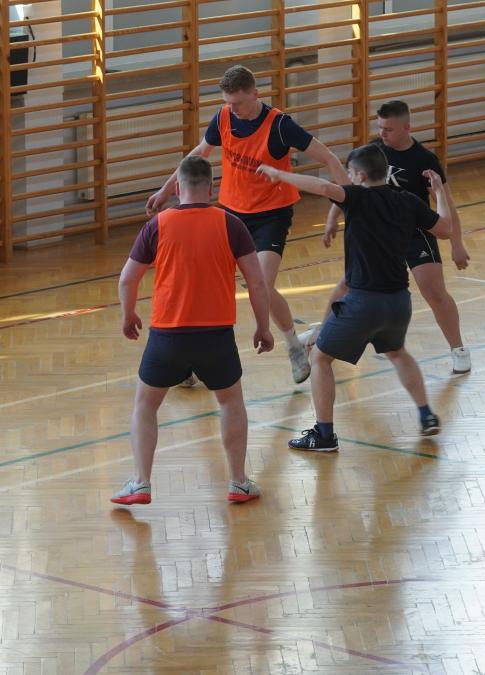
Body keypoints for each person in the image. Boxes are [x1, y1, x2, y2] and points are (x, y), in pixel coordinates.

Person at [146, 65, 348, 385]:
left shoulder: (280, 126)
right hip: (231, 214)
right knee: (206, 283)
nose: (232, 109)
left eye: (237, 103)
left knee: (262, 284)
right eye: (228, 102)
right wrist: (165, 189)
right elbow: (198, 154)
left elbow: (329, 158)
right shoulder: (224, 117)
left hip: (271, 215)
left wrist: (352, 201)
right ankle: (192, 361)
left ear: (255, 93)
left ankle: (293, 345)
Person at [256, 145, 452, 451]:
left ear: (359, 176)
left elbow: (323, 187)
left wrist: (279, 174)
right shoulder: (408, 201)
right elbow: (446, 229)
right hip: (398, 302)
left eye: (349, 174)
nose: (347, 178)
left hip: (363, 303)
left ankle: (324, 435)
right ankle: (426, 414)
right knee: (398, 353)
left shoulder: (358, 198)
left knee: (320, 358)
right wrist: (438, 192)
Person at [113, 156, 274, 505]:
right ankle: (239, 482)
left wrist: (128, 314)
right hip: (216, 336)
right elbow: (258, 283)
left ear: (177, 188)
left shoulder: (157, 224)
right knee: (230, 402)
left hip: (167, 335)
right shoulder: (231, 224)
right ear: (211, 187)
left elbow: (127, 279)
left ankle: (140, 483)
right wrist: (263, 327)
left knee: (145, 405)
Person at [309, 100, 472, 374]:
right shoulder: (374, 151)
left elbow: (446, 203)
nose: (382, 134)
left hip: (415, 233)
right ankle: (321, 336)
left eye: (389, 129)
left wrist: (457, 243)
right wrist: (331, 218)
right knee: (348, 284)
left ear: (407, 127)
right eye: (380, 127)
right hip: (379, 234)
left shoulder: (424, 160)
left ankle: (459, 349)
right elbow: (350, 189)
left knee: (434, 291)